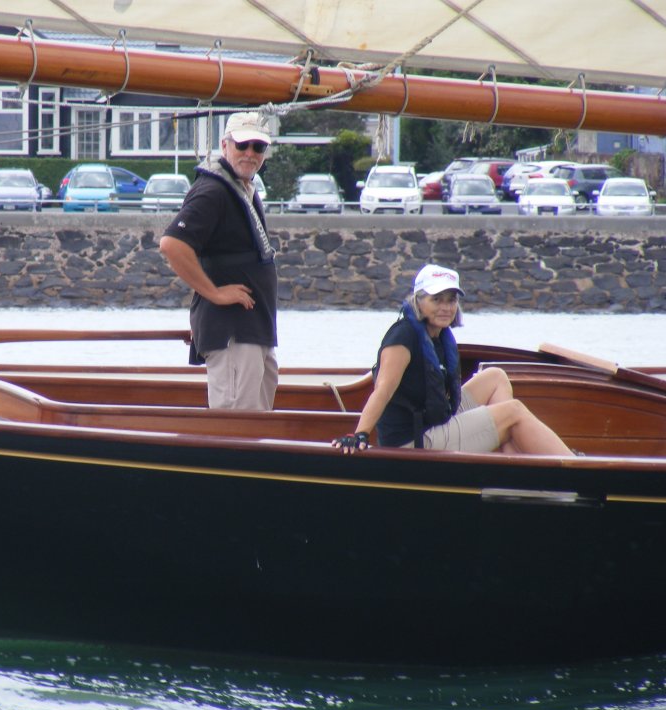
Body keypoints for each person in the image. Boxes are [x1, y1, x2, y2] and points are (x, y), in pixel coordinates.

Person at [332, 264, 573, 456]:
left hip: (435, 421)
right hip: (414, 440)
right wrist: (360, 434)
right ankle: (575, 467)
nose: (446, 307)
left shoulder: (437, 335)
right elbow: (382, 390)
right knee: (513, 411)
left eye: (451, 300)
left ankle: (511, 456)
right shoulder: (403, 336)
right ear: (418, 301)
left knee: (495, 377)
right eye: (437, 299)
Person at [159, 111, 278, 410]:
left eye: (258, 147)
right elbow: (172, 244)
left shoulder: (241, 187)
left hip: (253, 330)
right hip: (233, 333)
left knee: (258, 426)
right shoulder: (213, 191)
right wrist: (214, 293)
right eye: (242, 145)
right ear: (225, 145)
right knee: (237, 427)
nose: (250, 153)